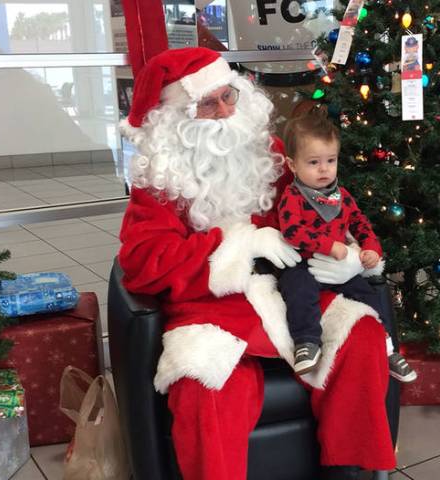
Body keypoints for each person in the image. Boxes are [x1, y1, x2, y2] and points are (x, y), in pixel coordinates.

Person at [117, 47, 397, 479]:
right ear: (174, 120)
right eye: (208, 103)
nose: (226, 111)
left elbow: (327, 209)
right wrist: (239, 244)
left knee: (359, 337)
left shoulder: (272, 152)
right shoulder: (160, 182)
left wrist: (351, 258)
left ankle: (350, 473)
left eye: (228, 95)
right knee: (203, 388)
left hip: (294, 295)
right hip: (213, 311)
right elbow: (141, 263)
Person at [278, 109, 417, 382]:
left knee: (369, 296)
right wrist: (328, 245)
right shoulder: (292, 197)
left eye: (331, 160)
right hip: (307, 263)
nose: (324, 169)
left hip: (340, 266)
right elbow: (292, 231)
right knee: (298, 289)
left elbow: (360, 223)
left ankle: (388, 349)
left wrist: (371, 248)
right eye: (314, 162)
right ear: (293, 165)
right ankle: (307, 342)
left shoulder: (342, 196)